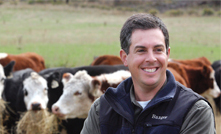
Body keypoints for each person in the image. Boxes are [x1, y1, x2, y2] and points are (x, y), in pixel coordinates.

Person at [80, 13, 216, 134]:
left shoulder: (194, 111)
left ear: (167, 55)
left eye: (158, 49)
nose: (151, 58)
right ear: (125, 58)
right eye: (141, 50)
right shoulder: (102, 109)